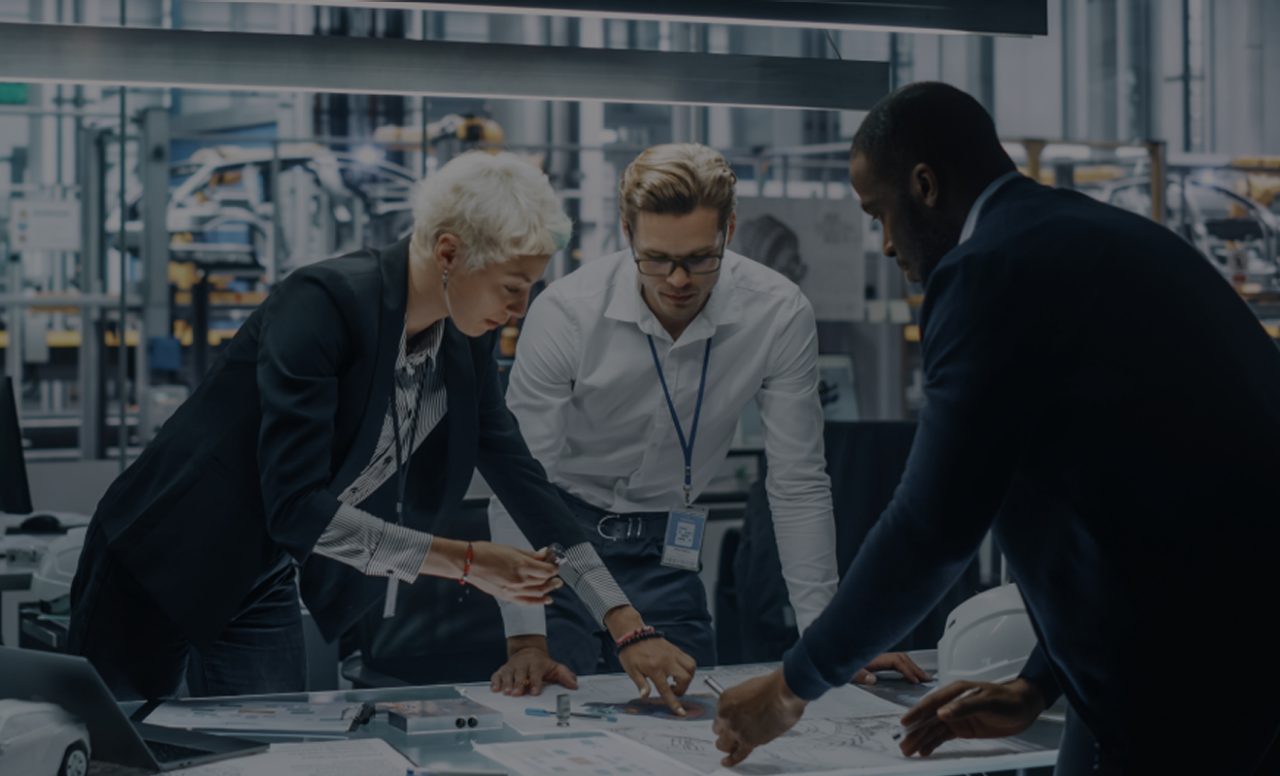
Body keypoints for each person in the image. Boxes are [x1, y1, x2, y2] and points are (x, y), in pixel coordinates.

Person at [711, 82, 1280, 775]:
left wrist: (792, 686)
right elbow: (1135, 492)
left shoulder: (990, 270)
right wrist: (1041, 680)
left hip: (1194, 674)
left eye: (880, 214)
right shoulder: (1090, 237)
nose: (886, 244)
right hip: (1220, 651)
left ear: (924, 185)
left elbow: (932, 526)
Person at [68, 151, 689, 705]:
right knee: (114, 748)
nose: (520, 309)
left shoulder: (463, 338)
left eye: (530, 288)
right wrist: (469, 562)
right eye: (512, 286)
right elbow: (295, 508)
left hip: (262, 572)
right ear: (448, 252)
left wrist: (625, 621)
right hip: (160, 558)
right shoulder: (324, 303)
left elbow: (523, 479)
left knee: (276, 752)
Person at [485, 143, 928, 701]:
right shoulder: (567, 313)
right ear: (626, 232)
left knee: (691, 722)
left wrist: (828, 634)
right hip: (556, 548)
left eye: (699, 258)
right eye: (655, 258)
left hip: (669, 549)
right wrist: (525, 637)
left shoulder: (777, 312)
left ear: (730, 230)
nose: (677, 279)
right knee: (552, 721)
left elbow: (797, 483)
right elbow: (520, 486)